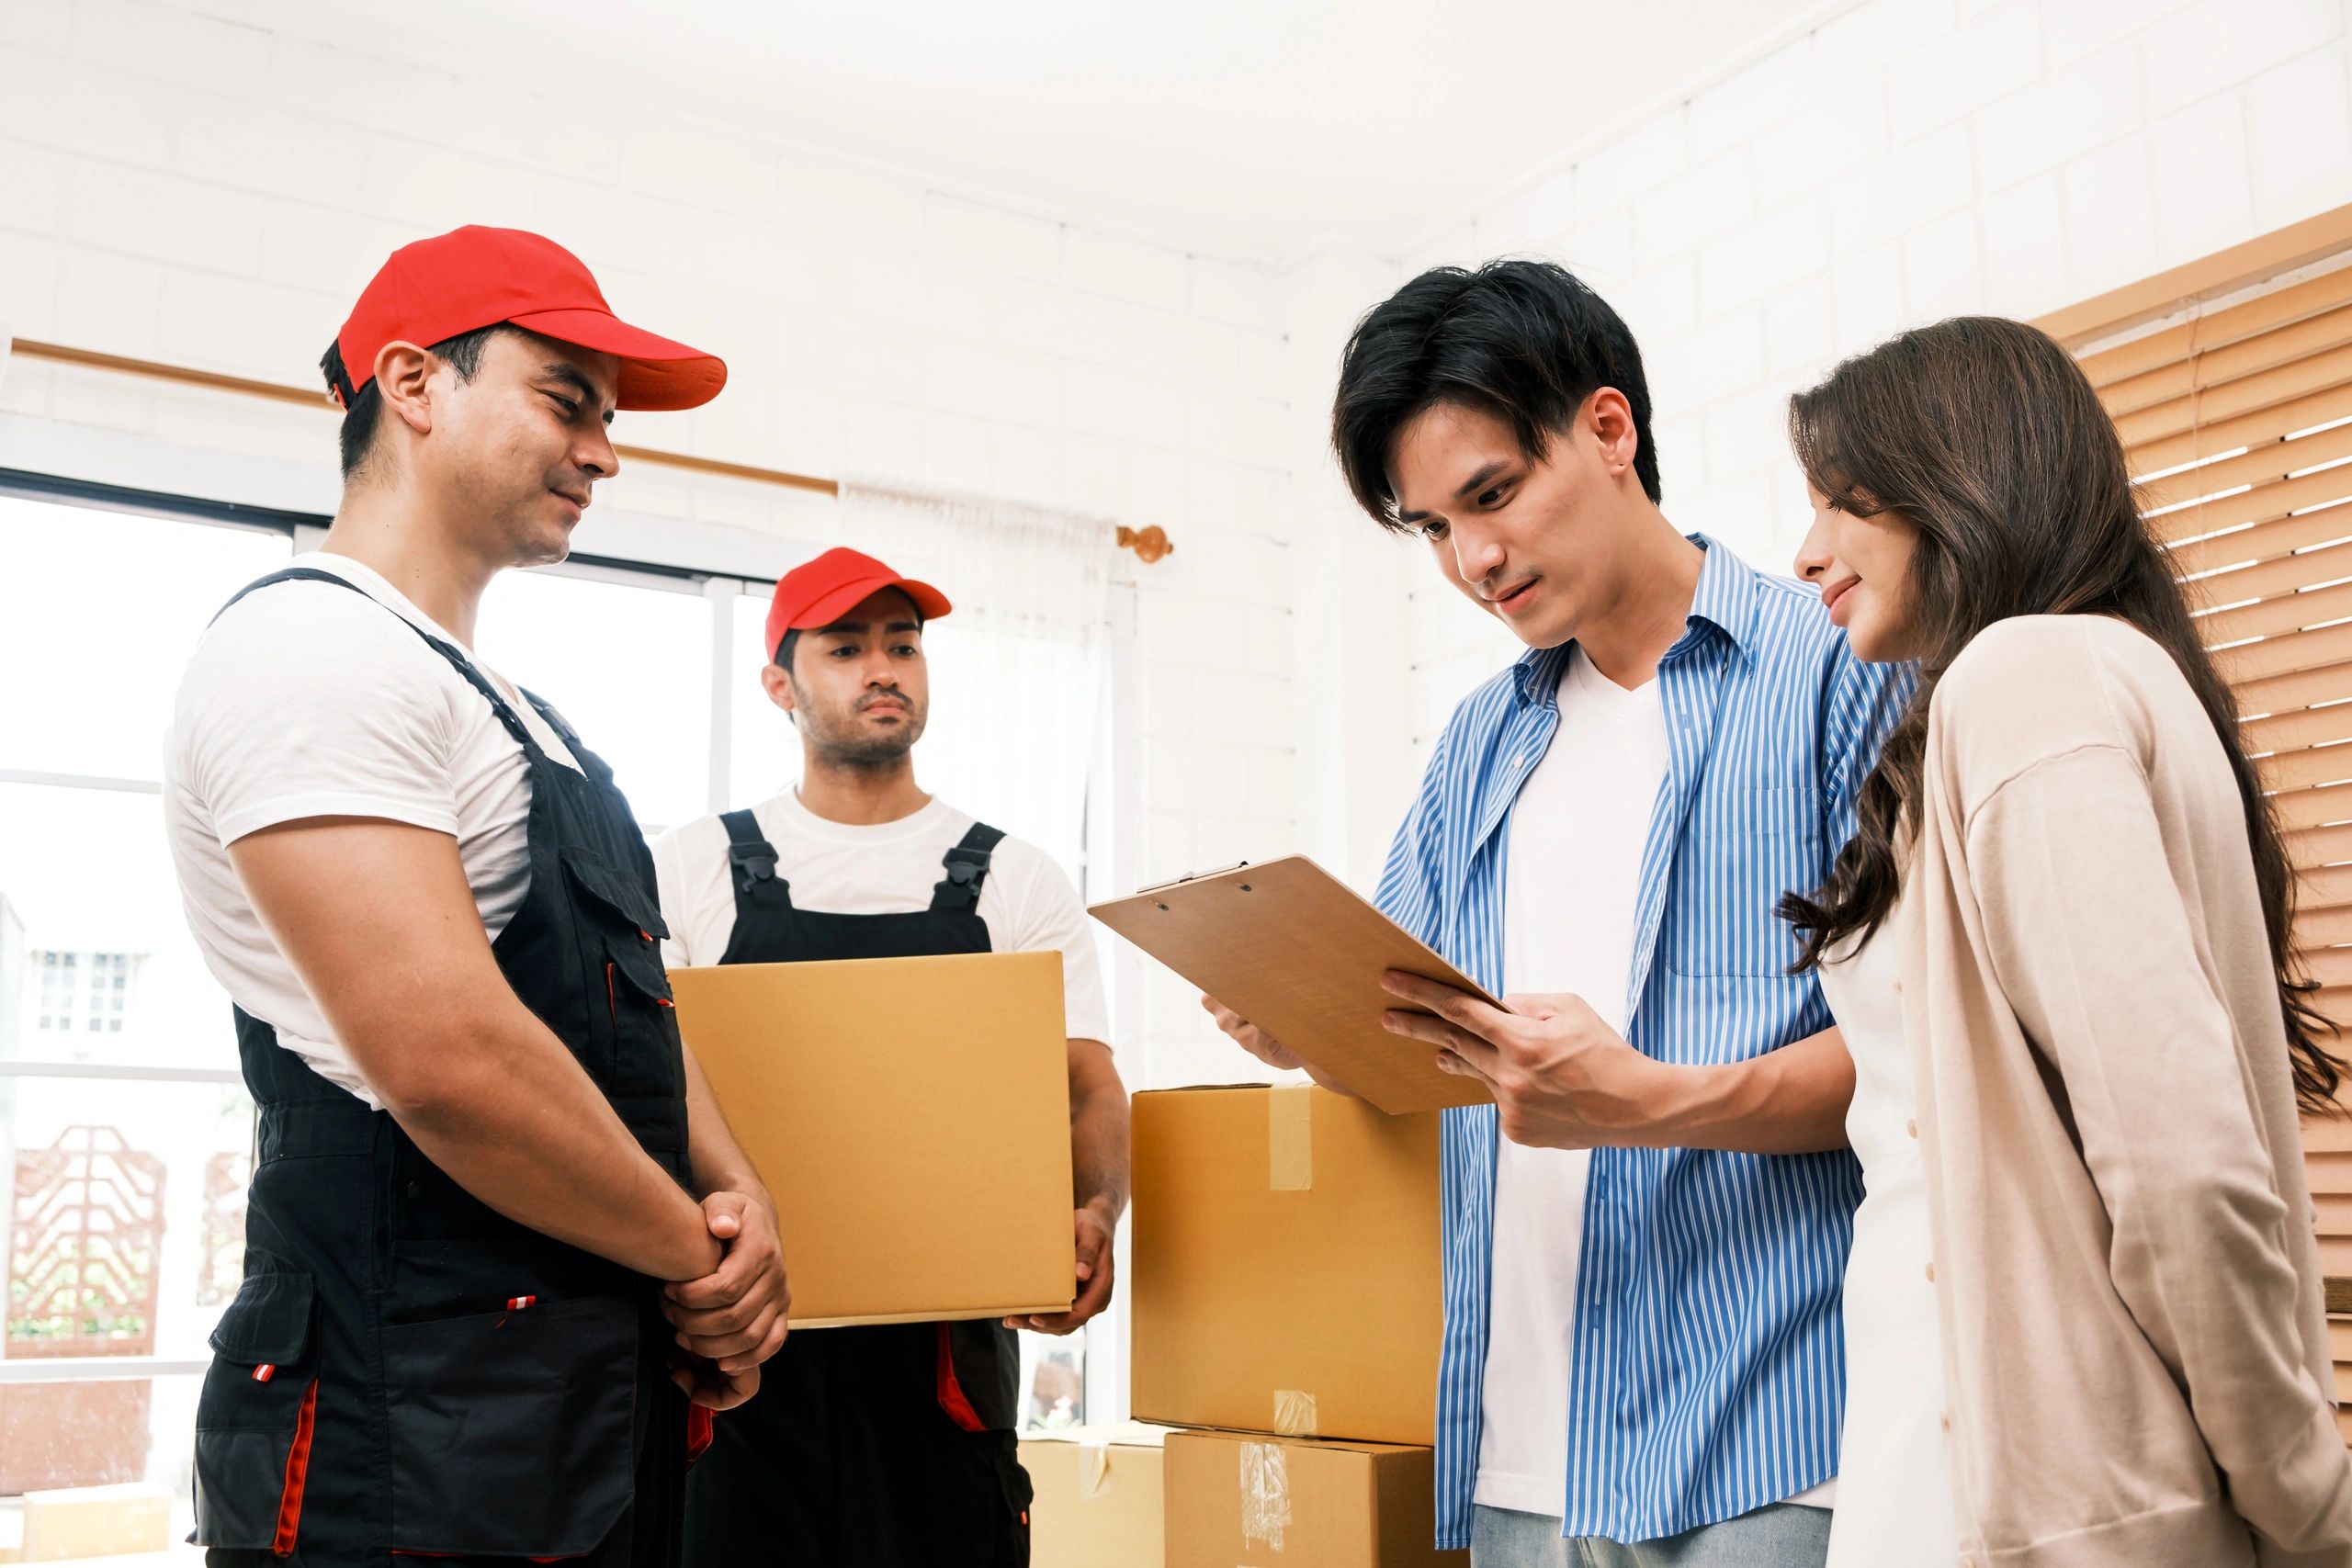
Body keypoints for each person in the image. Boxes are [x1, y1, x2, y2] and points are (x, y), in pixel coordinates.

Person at [1208, 259, 1909, 1567]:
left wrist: (1651, 1095)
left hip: (1776, 1436)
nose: (1472, 558)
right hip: (1519, 1446)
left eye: (1492, 494)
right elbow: (1414, 1037)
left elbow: (1930, 1055)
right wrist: (1301, 1018)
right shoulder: (1481, 738)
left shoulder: (1837, 670)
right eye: (1431, 527)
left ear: (1607, 429)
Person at [165, 225, 789, 1565]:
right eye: (568, 400)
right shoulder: (306, 648)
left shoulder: (515, 711)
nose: (606, 452)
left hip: (563, 1412)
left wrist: (740, 1196)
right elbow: (450, 1057)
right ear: (412, 382)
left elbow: (632, 1009)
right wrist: (695, 1253)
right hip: (400, 1423)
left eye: (610, 419)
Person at [1781, 315, 2352, 1567]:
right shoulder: (2070, 681)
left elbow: (2182, 1159)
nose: (1808, 546)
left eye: (1840, 498)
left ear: (1957, 475)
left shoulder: (2026, 676)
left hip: (2038, 1511)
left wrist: (2309, 1502)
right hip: (1957, 1474)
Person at [652, 545, 1129, 1567]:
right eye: (846, 647)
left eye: (903, 646)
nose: (884, 669)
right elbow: (647, 1087)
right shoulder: (691, 868)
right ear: (779, 683)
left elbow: (1087, 1082)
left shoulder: (1015, 877)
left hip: (944, 1366)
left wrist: (1094, 1214)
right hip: (736, 1359)